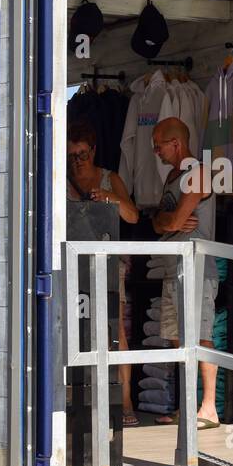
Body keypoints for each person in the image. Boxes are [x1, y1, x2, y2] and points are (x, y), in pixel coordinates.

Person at [67, 122, 141, 425]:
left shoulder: (110, 178)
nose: (77, 161)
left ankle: (125, 405)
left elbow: (133, 215)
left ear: (93, 150)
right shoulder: (62, 177)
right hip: (72, 262)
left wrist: (108, 197)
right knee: (74, 328)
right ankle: (75, 400)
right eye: (71, 155)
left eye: (82, 154)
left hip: (108, 262)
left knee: (115, 331)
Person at [150, 117, 221, 429]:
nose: (156, 152)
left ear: (175, 143)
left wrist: (167, 221)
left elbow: (175, 222)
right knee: (179, 339)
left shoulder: (199, 173)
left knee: (201, 336)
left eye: (158, 146)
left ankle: (208, 407)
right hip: (173, 266)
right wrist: (165, 220)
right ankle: (187, 405)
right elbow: (157, 223)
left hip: (196, 267)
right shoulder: (171, 178)